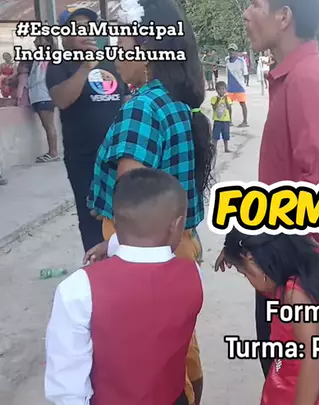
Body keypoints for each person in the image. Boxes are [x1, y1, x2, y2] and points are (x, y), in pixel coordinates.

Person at [86, 0, 214, 402]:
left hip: (144, 254)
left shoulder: (142, 108)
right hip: (176, 246)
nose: (115, 50)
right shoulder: (174, 103)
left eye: (122, 40)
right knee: (180, 350)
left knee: (150, 363)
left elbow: (134, 201)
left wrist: (113, 247)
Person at [243, 0, 319, 377]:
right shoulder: (297, 75)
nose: (246, 14)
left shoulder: (306, 80)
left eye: (255, 4)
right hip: (285, 266)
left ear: (284, 16)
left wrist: (299, 283)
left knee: (290, 382)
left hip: (292, 274)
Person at [45, 168, 203, 405]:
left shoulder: (78, 288)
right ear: (177, 225)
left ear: (115, 222)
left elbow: (67, 384)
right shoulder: (194, 276)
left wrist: (111, 245)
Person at [215, 231, 319, 405]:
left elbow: (314, 361)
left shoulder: (295, 296)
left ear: (252, 259)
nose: (249, 280)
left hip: (305, 389)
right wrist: (235, 247)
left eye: (245, 273)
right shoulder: (313, 254)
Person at [46, 7, 128, 252]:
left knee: (125, 212)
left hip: (117, 155)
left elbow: (124, 100)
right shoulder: (59, 64)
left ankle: (124, 262)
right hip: (84, 159)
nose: (87, 33)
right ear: (65, 36)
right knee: (91, 216)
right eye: (79, 28)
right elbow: (61, 100)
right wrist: (85, 68)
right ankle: (97, 266)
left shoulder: (111, 63)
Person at [29, 36, 60, 163]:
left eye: (39, 40)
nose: (35, 42)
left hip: (44, 95)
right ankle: (52, 151)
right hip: (39, 95)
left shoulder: (47, 58)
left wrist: (29, 83)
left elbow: (39, 77)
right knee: (47, 125)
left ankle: (53, 152)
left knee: (48, 125)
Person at [225, 43, 249, 127]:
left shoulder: (241, 61)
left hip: (239, 86)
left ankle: (245, 121)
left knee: (242, 104)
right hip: (230, 86)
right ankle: (229, 121)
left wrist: (245, 84)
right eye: (230, 50)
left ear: (236, 52)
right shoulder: (227, 60)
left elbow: (245, 73)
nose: (231, 52)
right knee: (228, 104)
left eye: (233, 50)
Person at [211, 81, 233, 153]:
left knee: (226, 135)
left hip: (226, 120)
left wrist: (230, 119)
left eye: (223, 89)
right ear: (216, 90)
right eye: (219, 89)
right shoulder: (214, 98)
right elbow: (214, 108)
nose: (221, 91)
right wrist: (218, 100)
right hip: (217, 120)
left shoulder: (228, 98)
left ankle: (226, 148)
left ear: (226, 90)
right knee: (215, 136)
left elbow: (229, 108)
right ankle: (214, 149)